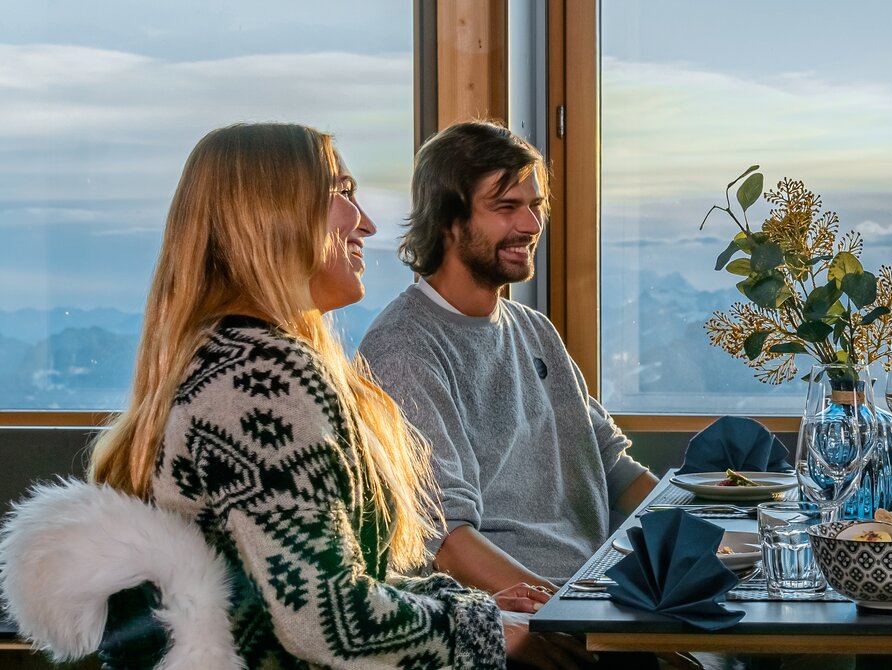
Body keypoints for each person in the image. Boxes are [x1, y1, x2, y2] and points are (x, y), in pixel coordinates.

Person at [86, 123, 572, 667]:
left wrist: (476, 611)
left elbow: (304, 589)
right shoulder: (258, 380)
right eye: (342, 193)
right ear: (273, 216)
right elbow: (330, 623)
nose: (366, 222)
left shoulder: (235, 360)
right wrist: (495, 634)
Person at [359, 121, 656, 593]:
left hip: (595, 591)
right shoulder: (403, 347)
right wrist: (569, 617)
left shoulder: (533, 329)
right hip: (519, 618)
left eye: (535, 206)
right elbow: (445, 541)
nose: (532, 225)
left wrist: (715, 538)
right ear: (448, 221)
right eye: (507, 208)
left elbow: (611, 466)